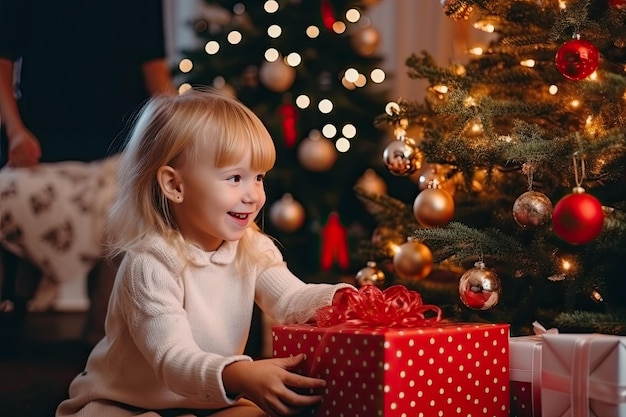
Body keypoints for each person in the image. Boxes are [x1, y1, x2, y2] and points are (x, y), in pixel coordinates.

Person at [56, 89, 356, 417]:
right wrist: (241, 374)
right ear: (174, 186)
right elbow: (171, 359)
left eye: (258, 178)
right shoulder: (151, 262)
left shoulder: (252, 248)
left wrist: (344, 300)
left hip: (210, 399)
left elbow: (291, 300)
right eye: (234, 178)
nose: (253, 195)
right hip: (124, 402)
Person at [0, 0, 174, 346]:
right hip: (39, 142)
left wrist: (182, 134)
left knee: (135, 205)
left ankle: (106, 336)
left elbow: (155, 75)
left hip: (123, 142)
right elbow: (2, 66)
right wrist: (15, 131)